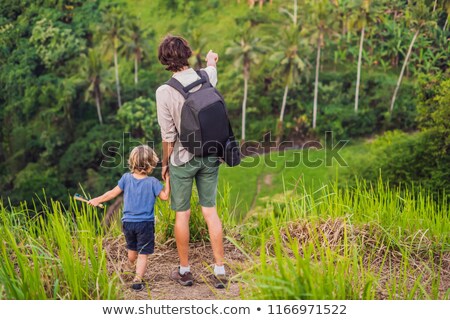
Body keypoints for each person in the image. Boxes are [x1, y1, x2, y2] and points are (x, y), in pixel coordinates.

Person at [156, 35, 227, 289]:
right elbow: (212, 66)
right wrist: (211, 58)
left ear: (164, 60)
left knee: (182, 214)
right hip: (210, 155)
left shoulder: (164, 91)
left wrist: (165, 164)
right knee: (210, 211)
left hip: (182, 160)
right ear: (187, 53)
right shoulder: (206, 77)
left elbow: (168, 136)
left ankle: (185, 271)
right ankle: (220, 269)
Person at [88, 145, 170, 292]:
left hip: (128, 223)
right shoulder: (153, 182)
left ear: (132, 162)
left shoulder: (126, 178)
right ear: (151, 164)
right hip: (145, 224)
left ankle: (128, 267)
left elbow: (112, 193)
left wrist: (98, 199)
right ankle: (137, 279)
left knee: (132, 251)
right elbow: (164, 197)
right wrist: (168, 181)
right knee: (143, 253)